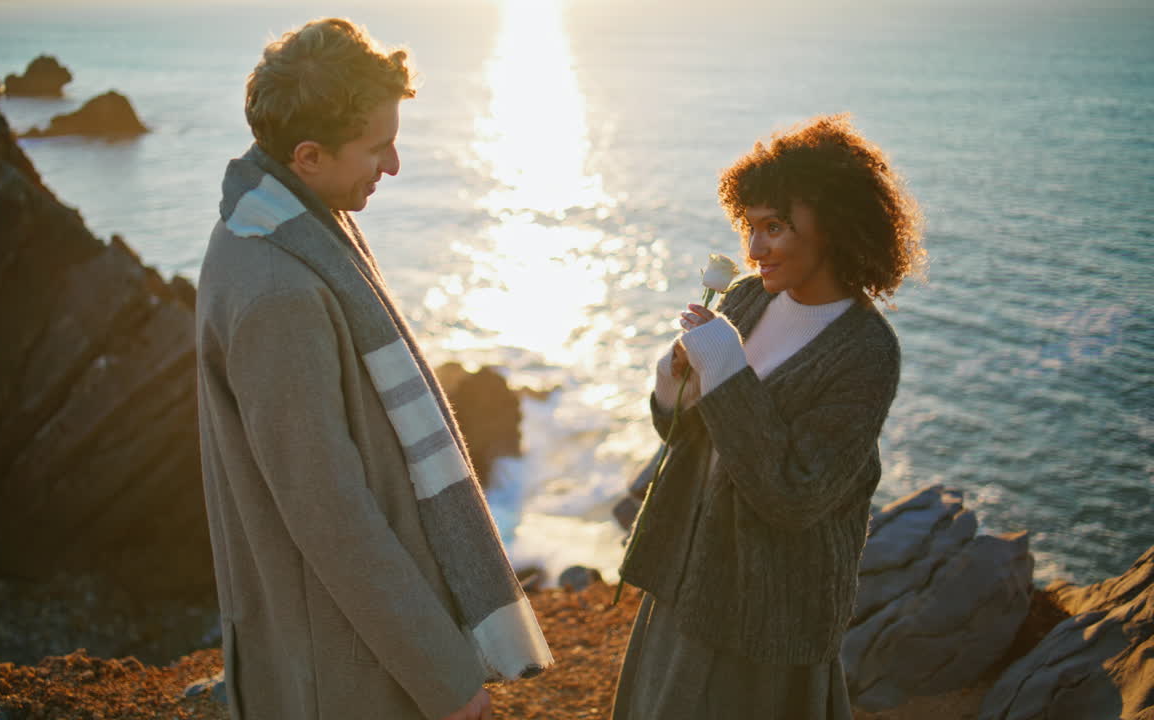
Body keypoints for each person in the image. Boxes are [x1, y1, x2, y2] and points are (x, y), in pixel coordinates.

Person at [195, 18, 551, 720]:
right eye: (377, 147)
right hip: (340, 665)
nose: (392, 165)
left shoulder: (282, 223)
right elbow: (332, 517)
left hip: (337, 643)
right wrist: (445, 675)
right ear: (308, 156)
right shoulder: (280, 293)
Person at [612, 114, 926, 719]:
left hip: (767, 612)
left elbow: (794, 495)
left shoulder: (866, 350)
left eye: (775, 227)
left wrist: (725, 368)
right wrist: (672, 387)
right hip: (687, 579)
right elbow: (688, 440)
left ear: (832, 226)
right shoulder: (749, 298)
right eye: (750, 227)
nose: (754, 250)